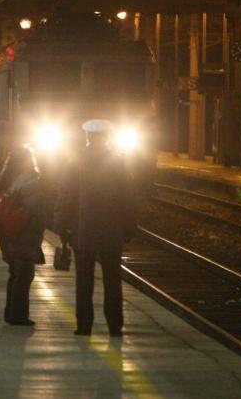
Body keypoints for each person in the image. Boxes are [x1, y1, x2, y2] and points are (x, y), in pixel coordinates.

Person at [53, 119, 136, 337]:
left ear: (87, 137)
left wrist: (61, 225)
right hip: (111, 231)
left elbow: (66, 196)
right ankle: (115, 326)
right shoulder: (118, 163)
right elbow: (128, 198)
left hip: (83, 232)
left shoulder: (75, 161)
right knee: (112, 280)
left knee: (84, 281)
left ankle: (84, 325)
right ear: (108, 138)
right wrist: (129, 228)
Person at [0, 146, 46, 325]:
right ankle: (19, 315)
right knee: (24, 274)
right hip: (24, 233)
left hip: (7, 231)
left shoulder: (6, 180)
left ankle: (11, 313)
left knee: (15, 272)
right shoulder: (29, 182)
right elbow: (37, 211)